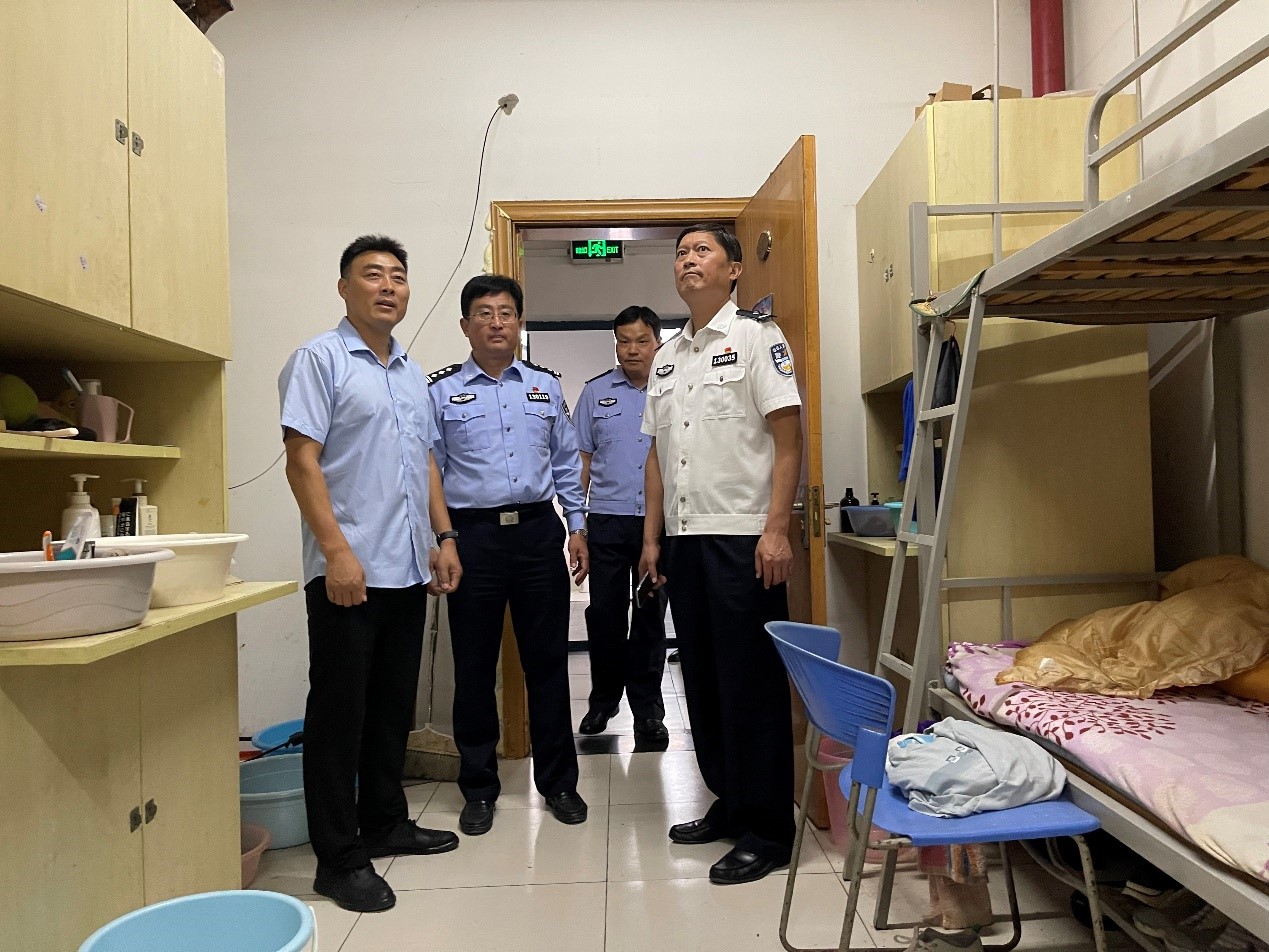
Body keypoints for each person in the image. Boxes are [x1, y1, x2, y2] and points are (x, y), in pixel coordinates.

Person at [279, 234, 462, 914]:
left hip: (406, 568)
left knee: (391, 708)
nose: (388, 286)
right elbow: (302, 460)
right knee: (338, 717)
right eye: (372, 274)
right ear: (344, 287)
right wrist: (335, 551)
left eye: (398, 276)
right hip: (347, 571)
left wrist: (443, 537)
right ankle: (338, 859)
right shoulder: (319, 360)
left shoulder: (412, 373)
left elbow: (425, 462)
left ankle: (385, 823)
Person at [638, 223, 804, 886]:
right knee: (703, 681)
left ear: (734, 270)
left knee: (750, 686)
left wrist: (776, 529)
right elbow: (655, 458)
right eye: (680, 253)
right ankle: (730, 802)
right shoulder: (666, 357)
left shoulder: (759, 339)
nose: (688, 260)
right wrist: (651, 541)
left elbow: (787, 441)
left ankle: (768, 829)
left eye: (701, 250)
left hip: (743, 539)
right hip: (683, 540)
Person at [428, 274, 590, 836]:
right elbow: (429, 472)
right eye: (484, 313)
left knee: (547, 665)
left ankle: (560, 783)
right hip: (472, 539)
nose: (496, 322)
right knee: (474, 668)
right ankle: (478, 789)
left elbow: (566, 462)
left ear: (519, 322)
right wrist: (443, 539)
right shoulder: (440, 391)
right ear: (465, 325)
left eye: (506, 313)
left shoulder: (545, 387)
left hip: (538, 534)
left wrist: (578, 527)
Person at [574, 306, 670, 746]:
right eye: (624, 341)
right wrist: (577, 526)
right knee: (605, 615)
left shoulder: (672, 387)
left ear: (657, 342)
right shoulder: (595, 392)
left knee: (650, 616)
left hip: (659, 522)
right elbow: (582, 461)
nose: (632, 350)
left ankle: (647, 710)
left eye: (642, 341)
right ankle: (604, 700)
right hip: (608, 521)